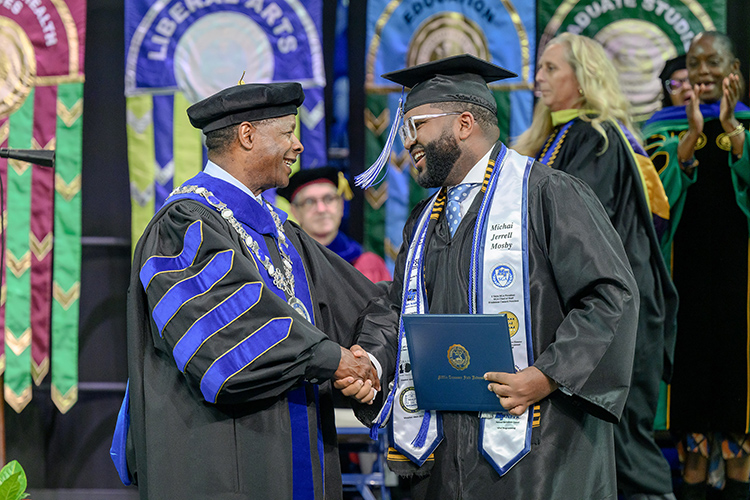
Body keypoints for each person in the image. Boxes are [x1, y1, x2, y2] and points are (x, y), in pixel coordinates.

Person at [341, 53, 639, 499]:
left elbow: (610, 296)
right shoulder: (424, 220)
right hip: (446, 454)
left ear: (463, 124)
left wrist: (547, 374)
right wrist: (373, 362)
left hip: (541, 449)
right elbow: (398, 304)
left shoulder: (547, 194)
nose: (408, 142)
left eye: (417, 125)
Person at [114, 81, 392, 499]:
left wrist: (366, 360)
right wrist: (333, 359)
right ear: (247, 135)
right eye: (287, 133)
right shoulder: (184, 227)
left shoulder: (283, 235)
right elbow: (228, 341)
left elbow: (374, 303)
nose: (298, 145)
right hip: (224, 469)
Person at [512, 33, 679, 500]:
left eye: (551, 69)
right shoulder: (548, 139)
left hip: (614, 315)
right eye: (539, 67)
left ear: (583, 80)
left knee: (625, 447)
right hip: (581, 315)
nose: (538, 77)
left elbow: (579, 231)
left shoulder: (599, 137)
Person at [642, 31, 750, 500]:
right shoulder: (660, 130)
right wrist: (687, 144)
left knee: (738, 414)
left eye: (714, 62)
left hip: (741, 292)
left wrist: (734, 135)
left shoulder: (749, 126)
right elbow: (651, 207)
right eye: (695, 62)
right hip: (682, 286)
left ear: (734, 71)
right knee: (691, 427)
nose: (703, 71)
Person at [276, 167, 391, 282]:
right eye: (309, 201)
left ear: (341, 205)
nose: (321, 209)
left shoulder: (368, 264)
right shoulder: (285, 263)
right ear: (295, 212)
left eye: (329, 198)